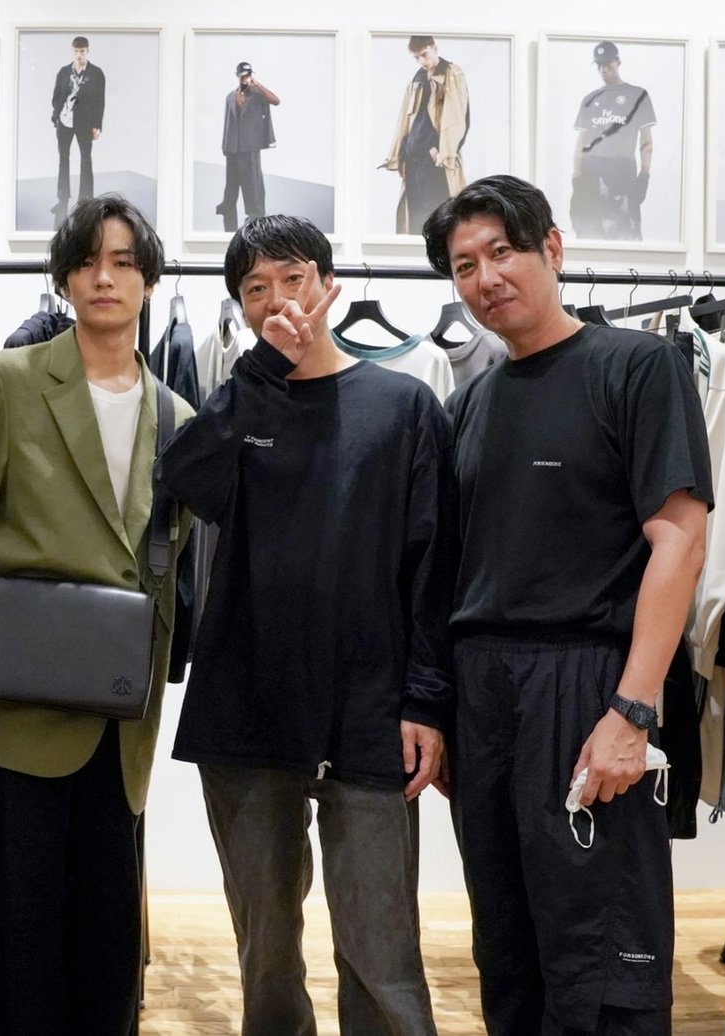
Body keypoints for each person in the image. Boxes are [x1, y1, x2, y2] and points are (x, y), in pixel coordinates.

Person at [422, 174, 711, 1035]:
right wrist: (447, 710)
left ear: (551, 247)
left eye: (502, 251)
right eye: (464, 266)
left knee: (603, 951)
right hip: (486, 694)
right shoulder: (469, 404)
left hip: (587, 685)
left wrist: (633, 709)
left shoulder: (637, 366)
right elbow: (450, 575)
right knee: (507, 944)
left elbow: (680, 541)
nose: (486, 278)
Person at [157, 214, 454, 1035]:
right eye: (256, 288)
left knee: (381, 951)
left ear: (329, 285)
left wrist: (426, 701)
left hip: (371, 713)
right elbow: (184, 479)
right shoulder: (243, 398)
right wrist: (260, 370)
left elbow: (434, 567)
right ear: (240, 307)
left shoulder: (404, 406)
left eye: (293, 278)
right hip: (248, 708)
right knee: (266, 953)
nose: (278, 299)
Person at [0, 193, 192, 1035]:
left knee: (109, 932)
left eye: (123, 262)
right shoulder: (7, 383)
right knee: (20, 929)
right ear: (64, 278)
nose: (104, 278)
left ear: (149, 279)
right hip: (20, 696)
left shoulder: (177, 415)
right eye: (87, 261)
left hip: (120, 711)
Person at [382, 35, 470, 235]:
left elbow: (457, 117)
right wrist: (399, 156)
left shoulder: (451, 73)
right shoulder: (417, 80)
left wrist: (441, 152)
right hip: (413, 160)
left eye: (424, 54)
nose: (422, 61)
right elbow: (403, 121)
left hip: (435, 162)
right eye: (416, 57)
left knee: (439, 220)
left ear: (435, 48)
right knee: (415, 219)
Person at [570, 40, 655, 240]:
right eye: (599, 65)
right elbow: (581, 142)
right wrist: (577, 176)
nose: (603, 69)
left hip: (623, 172)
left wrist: (644, 175)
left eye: (607, 63)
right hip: (592, 173)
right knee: (590, 234)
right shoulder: (590, 99)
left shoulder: (638, 95)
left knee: (626, 234)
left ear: (618, 62)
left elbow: (646, 141)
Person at [215, 61, 280, 232]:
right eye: (243, 75)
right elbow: (227, 122)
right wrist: (224, 144)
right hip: (233, 146)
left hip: (251, 145)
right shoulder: (230, 97)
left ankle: (255, 212)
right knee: (231, 181)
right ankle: (227, 205)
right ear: (237, 76)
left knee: (252, 181)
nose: (245, 78)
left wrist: (257, 84)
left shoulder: (258, 94)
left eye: (248, 75)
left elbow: (276, 101)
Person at [50, 36, 106, 224]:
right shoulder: (64, 72)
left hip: (84, 123)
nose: (79, 55)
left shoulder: (96, 73)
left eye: (82, 51)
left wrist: (97, 125)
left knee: (85, 160)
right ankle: (62, 198)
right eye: (76, 51)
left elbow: (100, 101)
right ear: (72, 51)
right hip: (64, 121)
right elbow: (56, 96)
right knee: (63, 160)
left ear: (87, 51)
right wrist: (56, 116)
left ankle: (86, 199)